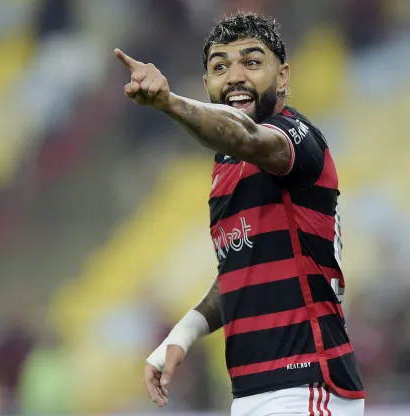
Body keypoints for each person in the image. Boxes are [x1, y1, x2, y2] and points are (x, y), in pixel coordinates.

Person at [114, 12, 365, 416]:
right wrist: (183, 334)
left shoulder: (296, 138)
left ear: (282, 76)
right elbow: (240, 270)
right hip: (252, 392)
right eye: (219, 67)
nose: (234, 77)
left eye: (251, 62)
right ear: (206, 85)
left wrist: (169, 103)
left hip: (308, 386)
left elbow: (245, 134)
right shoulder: (226, 167)